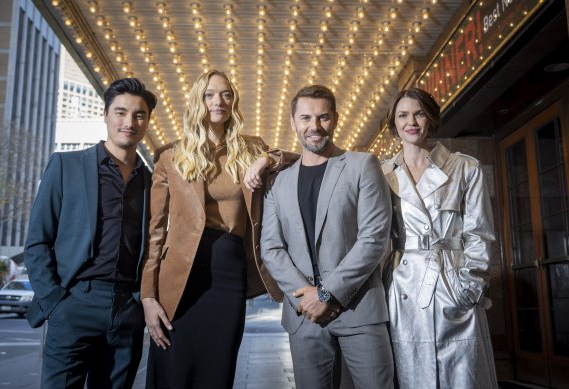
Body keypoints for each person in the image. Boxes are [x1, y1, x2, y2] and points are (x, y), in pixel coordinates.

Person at [140, 69, 296, 389]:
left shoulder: (251, 149)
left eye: (226, 94)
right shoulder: (171, 156)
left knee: (217, 370)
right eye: (210, 94)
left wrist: (265, 161)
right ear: (198, 100)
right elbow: (155, 232)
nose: (218, 101)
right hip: (180, 277)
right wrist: (147, 297)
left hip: (228, 273)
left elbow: (296, 158)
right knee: (173, 369)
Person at [24, 78, 157, 388]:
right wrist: (55, 301)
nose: (129, 122)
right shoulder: (66, 166)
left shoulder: (152, 182)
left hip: (126, 309)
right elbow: (37, 241)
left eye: (139, 115)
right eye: (121, 112)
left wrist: (139, 301)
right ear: (106, 115)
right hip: (74, 302)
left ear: (148, 120)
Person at [260, 85, 394, 389]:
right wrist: (307, 297)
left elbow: (374, 238)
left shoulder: (363, 165)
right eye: (305, 118)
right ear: (293, 122)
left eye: (323, 117)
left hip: (360, 309)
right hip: (303, 316)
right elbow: (270, 247)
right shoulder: (278, 183)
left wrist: (327, 294)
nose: (314, 126)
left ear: (335, 119)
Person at [381, 87, 498, 388]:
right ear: (393, 123)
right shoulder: (382, 173)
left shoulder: (464, 167)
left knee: (462, 375)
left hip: (453, 280)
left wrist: (469, 287)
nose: (412, 122)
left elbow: (479, 232)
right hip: (402, 285)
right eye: (403, 115)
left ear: (431, 117)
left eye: (419, 113)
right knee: (410, 372)